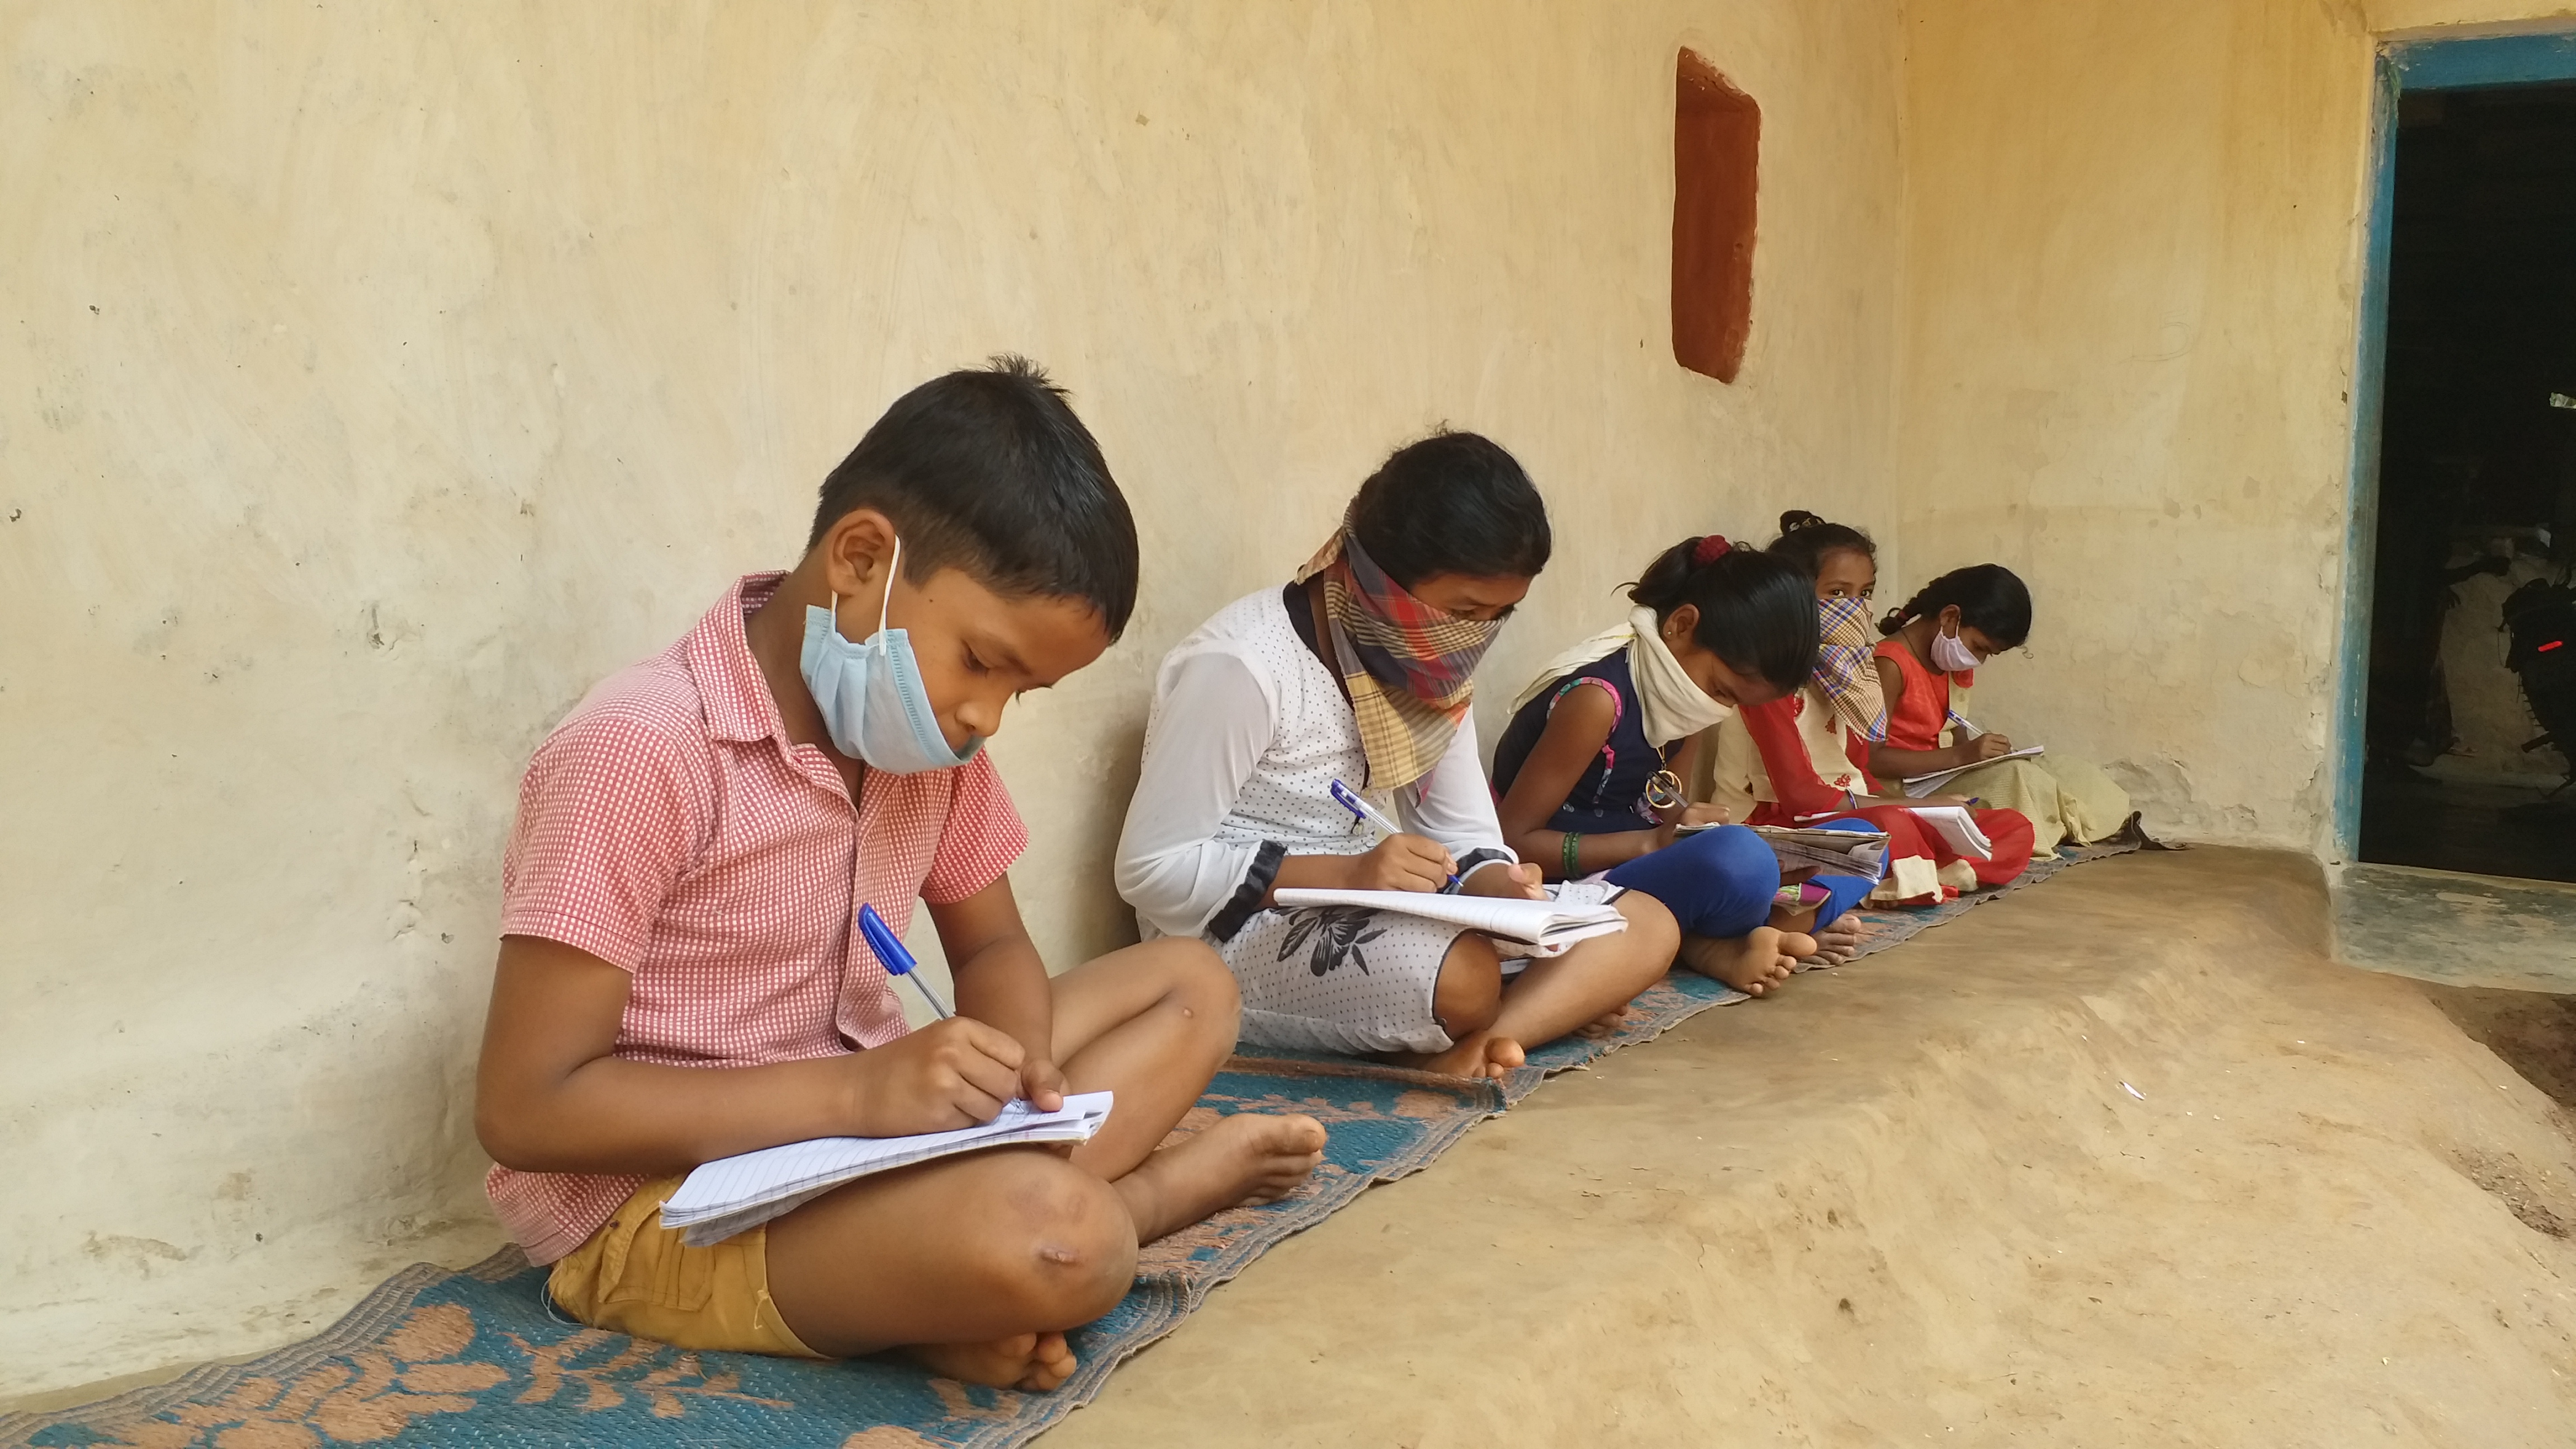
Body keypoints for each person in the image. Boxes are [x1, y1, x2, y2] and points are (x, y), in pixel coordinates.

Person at [473, 358, 1327, 1394]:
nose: (985, 717)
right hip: (666, 1205)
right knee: (1065, 1239)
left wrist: (1023, 1080)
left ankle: (930, 1280)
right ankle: (1147, 1201)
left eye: (1025, 691)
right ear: (861, 555)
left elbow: (996, 945)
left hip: (867, 1146)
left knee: (1191, 982)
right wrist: (856, 1092)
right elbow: (527, 1108)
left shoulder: (924, 748)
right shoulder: (639, 750)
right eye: (982, 659)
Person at [1115, 432, 1680, 1082]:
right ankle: (1526, 1012)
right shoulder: (1243, 666)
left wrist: (1502, 885)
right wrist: (1348, 875)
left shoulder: (1427, 669)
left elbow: (1465, 833)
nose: (1476, 638)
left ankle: (1483, 1042)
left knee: (1644, 922)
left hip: (1382, 906)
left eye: (1501, 615)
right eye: (1466, 610)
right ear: (1378, 574)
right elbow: (1152, 873)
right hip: (1228, 934)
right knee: (1465, 976)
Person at [1489, 534, 1825, 997]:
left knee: (1851, 850)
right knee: (1741, 861)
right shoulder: (1596, 701)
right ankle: (1712, 944)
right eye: (1724, 691)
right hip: (1562, 885)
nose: (1719, 708)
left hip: (1637, 875)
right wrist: (1651, 844)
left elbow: (1668, 812)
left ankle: (1736, 930)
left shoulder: (1687, 702)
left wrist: (1686, 830)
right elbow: (1513, 842)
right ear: (1681, 625)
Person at [1698, 514, 2036, 918]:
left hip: (1848, 811)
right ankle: (1923, 871)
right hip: (1775, 820)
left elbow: (1859, 771)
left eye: (1865, 593)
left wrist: (1927, 808)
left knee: (2012, 827)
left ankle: (1918, 870)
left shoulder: (1848, 674)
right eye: (1838, 593)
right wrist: (1913, 809)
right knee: (1891, 825)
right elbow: (1801, 795)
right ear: (1793, 595)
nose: (1855, 609)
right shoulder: (1765, 677)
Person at [1868, 564, 2133, 855]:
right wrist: (1962, 756)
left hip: (1940, 776)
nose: (1978, 660)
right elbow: (1872, 760)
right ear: (1950, 617)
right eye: (1980, 647)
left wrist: (1981, 757)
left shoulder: (1950, 663)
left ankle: (2062, 824)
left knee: (2069, 769)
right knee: (2020, 778)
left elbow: (1956, 742)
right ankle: (2061, 827)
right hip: (1902, 788)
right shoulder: (1890, 664)